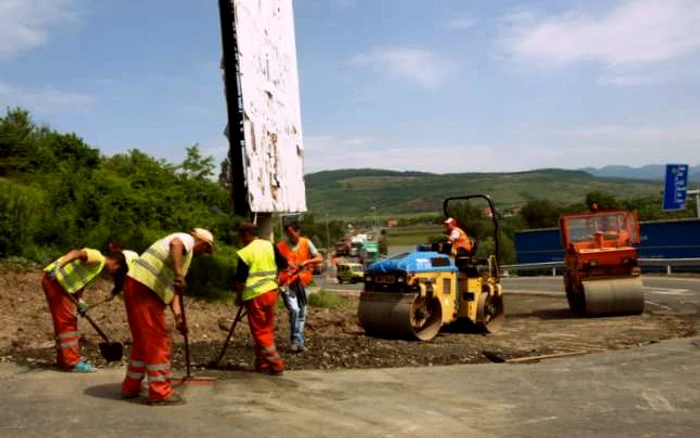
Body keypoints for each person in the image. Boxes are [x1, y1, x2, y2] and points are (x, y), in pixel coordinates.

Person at [120, 228, 214, 406]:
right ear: (201, 242)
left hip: (140, 287)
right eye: (206, 250)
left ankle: (130, 387)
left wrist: (179, 318)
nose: (203, 254)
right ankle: (160, 393)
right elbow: (176, 244)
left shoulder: (184, 260)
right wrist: (179, 274)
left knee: (143, 341)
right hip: (145, 289)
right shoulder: (186, 240)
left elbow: (174, 293)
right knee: (157, 341)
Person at [41, 247, 131, 373]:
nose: (114, 274)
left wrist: (80, 301)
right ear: (116, 262)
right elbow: (75, 253)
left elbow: (79, 283)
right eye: (118, 270)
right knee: (67, 322)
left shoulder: (97, 268)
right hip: (55, 282)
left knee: (63, 323)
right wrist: (58, 266)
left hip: (58, 285)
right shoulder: (97, 257)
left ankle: (63, 360)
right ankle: (72, 362)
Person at [233, 222, 288, 375]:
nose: (240, 240)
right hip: (271, 292)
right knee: (266, 329)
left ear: (246, 235)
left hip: (255, 296)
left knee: (260, 332)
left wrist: (239, 297)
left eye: (241, 236)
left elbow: (240, 280)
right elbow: (284, 264)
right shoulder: (270, 246)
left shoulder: (245, 252)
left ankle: (276, 364)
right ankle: (262, 364)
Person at [277, 221, 323, 353]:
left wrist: (307, 261)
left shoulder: (306, 243)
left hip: (302, 283)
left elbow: (319, 258)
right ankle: (296, 339)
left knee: (302, 313)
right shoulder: (280, 247)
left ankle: (298, 342)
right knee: (295, 310)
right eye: (288, 233)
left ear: (298, 231)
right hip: (286, 284)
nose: (290, 235)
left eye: (292, 232)